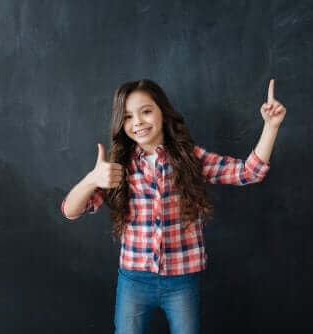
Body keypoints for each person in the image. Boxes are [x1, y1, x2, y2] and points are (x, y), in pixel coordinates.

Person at [60, 78, 286, 334]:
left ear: (162, 112)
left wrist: (271, 127)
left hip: (182, 280)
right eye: (127, 117)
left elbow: (249, 172)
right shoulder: (116, 167)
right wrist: (92, 179)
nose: (138, 122)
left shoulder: (190, 158)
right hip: (134, 280)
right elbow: (70, 210)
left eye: (146, 111)